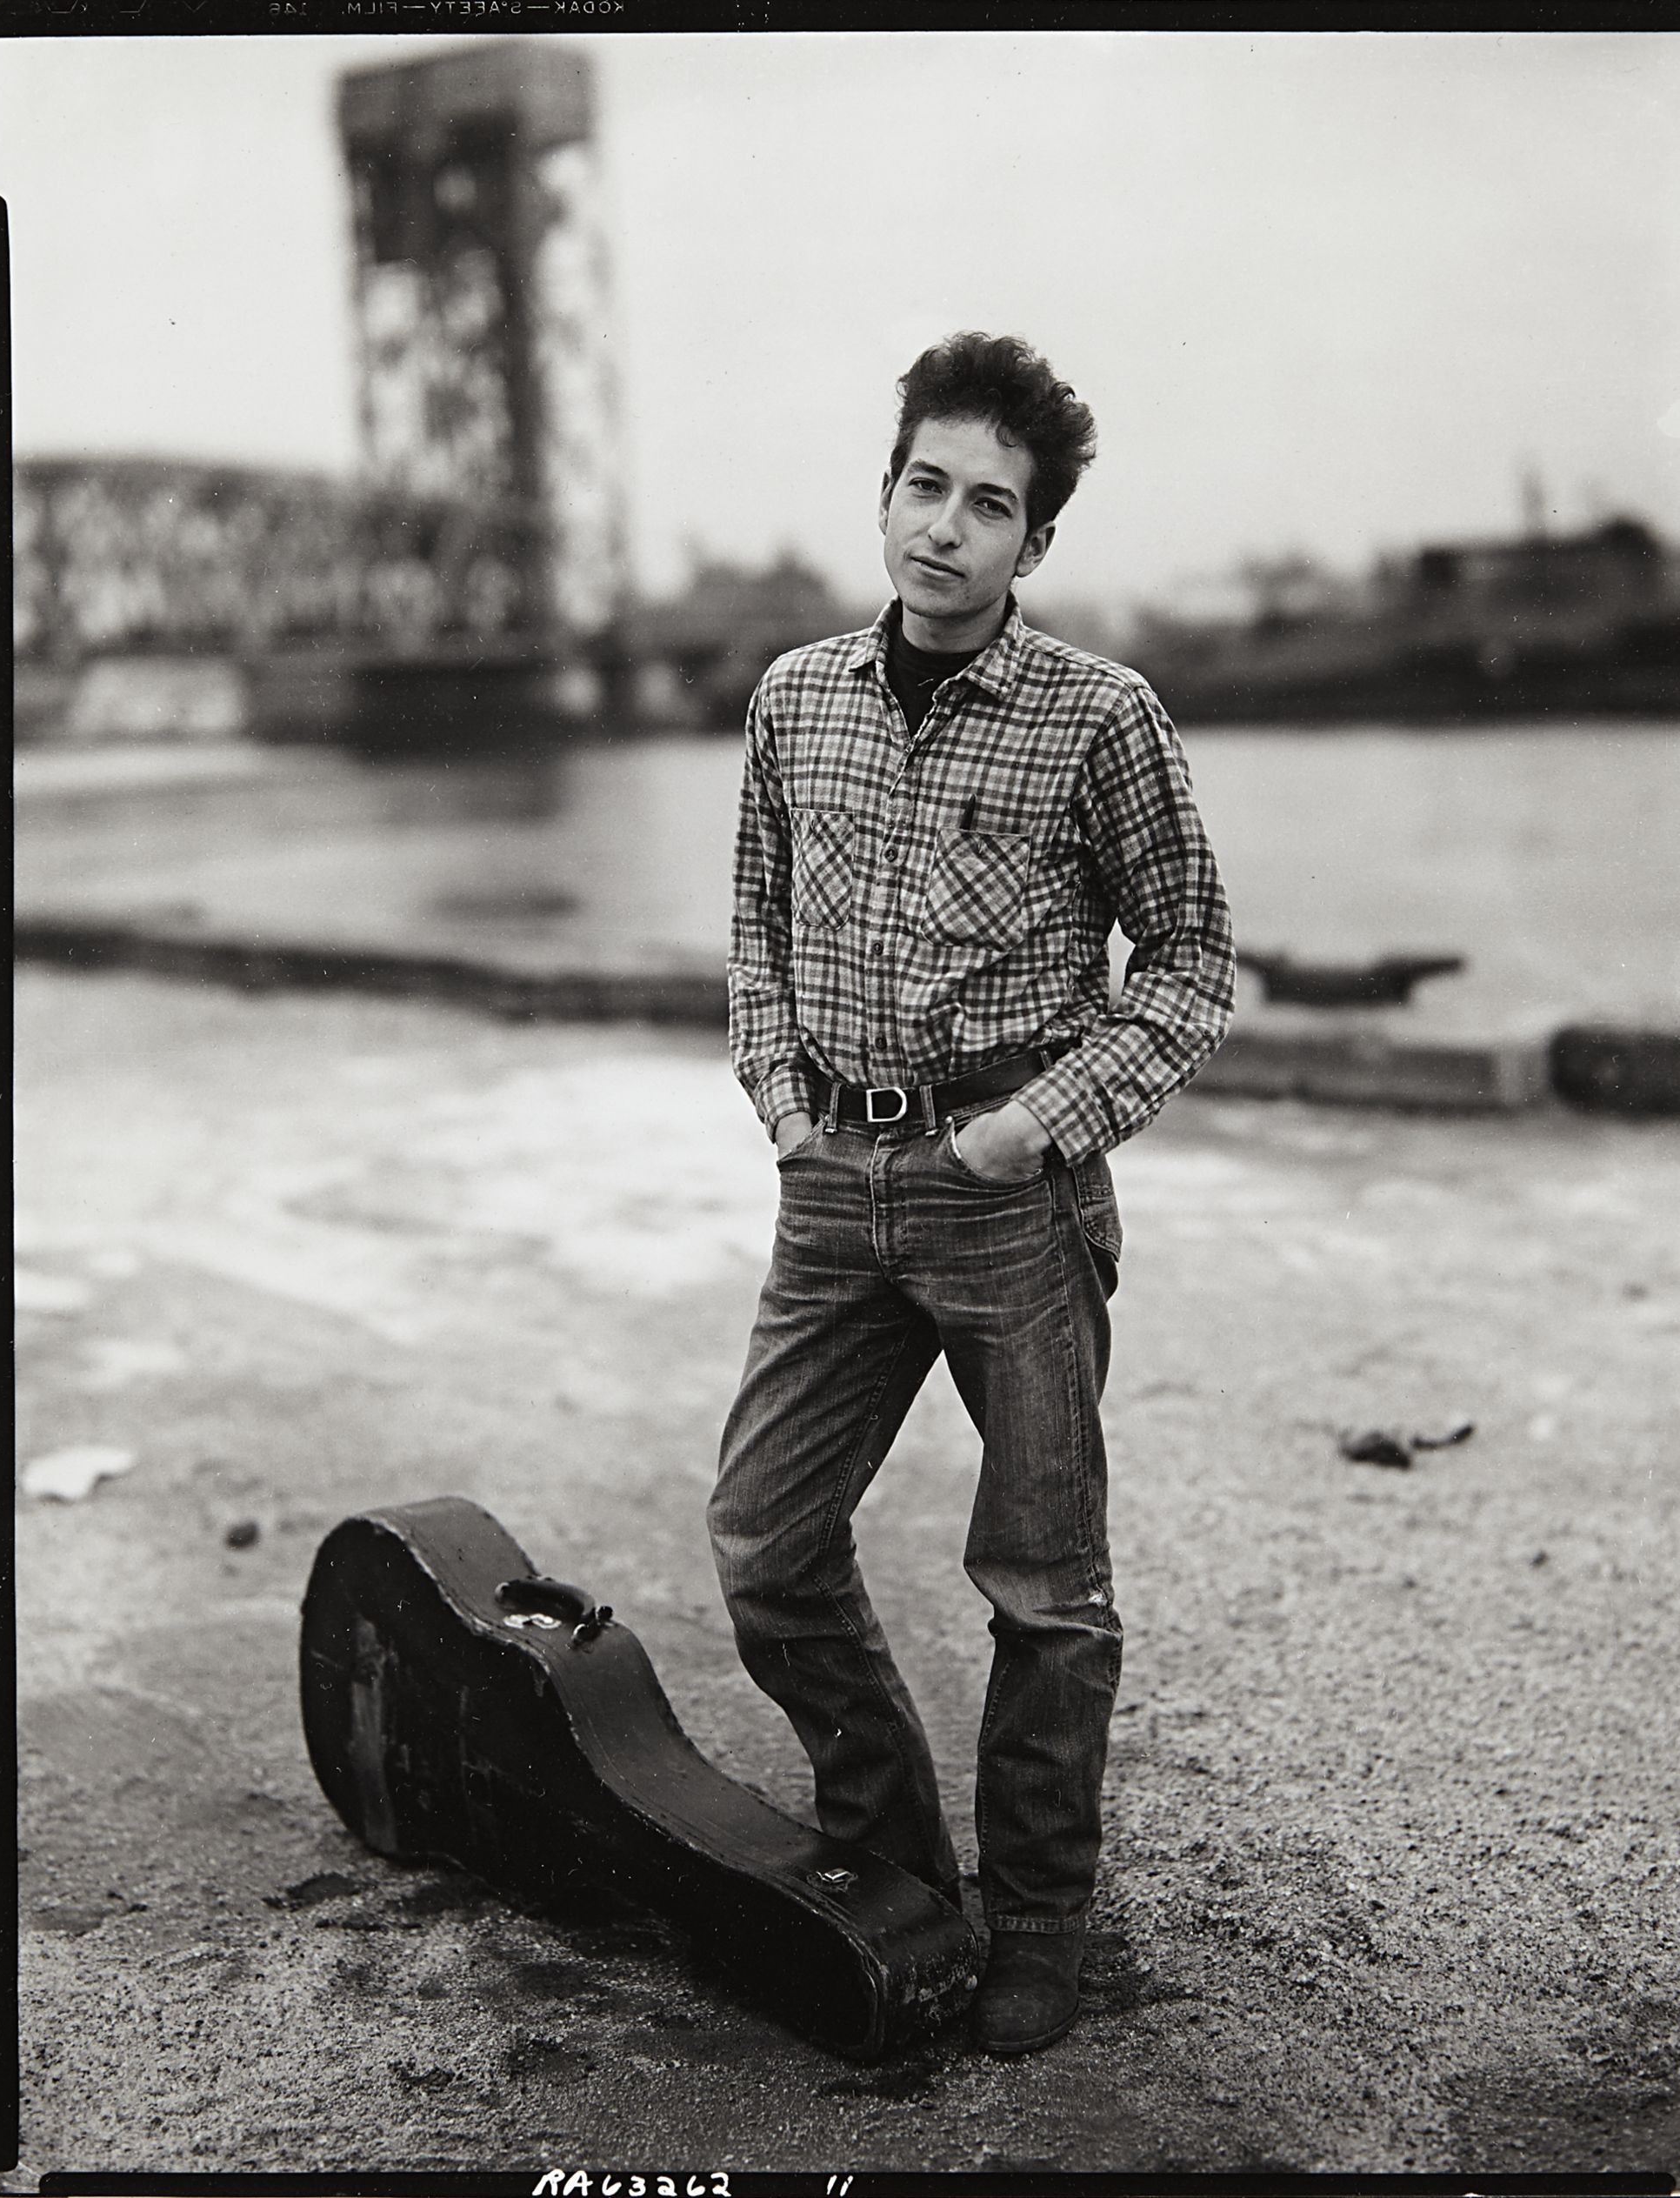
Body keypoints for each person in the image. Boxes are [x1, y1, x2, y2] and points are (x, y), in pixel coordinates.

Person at [708, 331, 1236, 2055]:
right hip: (830, 1185)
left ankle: (1042, 1926)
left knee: (1041, 1586)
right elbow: (756, 929)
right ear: (884, 493)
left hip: (1009, 1188)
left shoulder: (1104, 719)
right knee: (765, 1544)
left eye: (987, 504)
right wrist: (782, 1097)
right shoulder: (794, 698)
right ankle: (886, 1848)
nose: (944, 528)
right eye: (922, 486)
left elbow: (1190, 965)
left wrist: (1042, 1125)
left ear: (1034, 543)